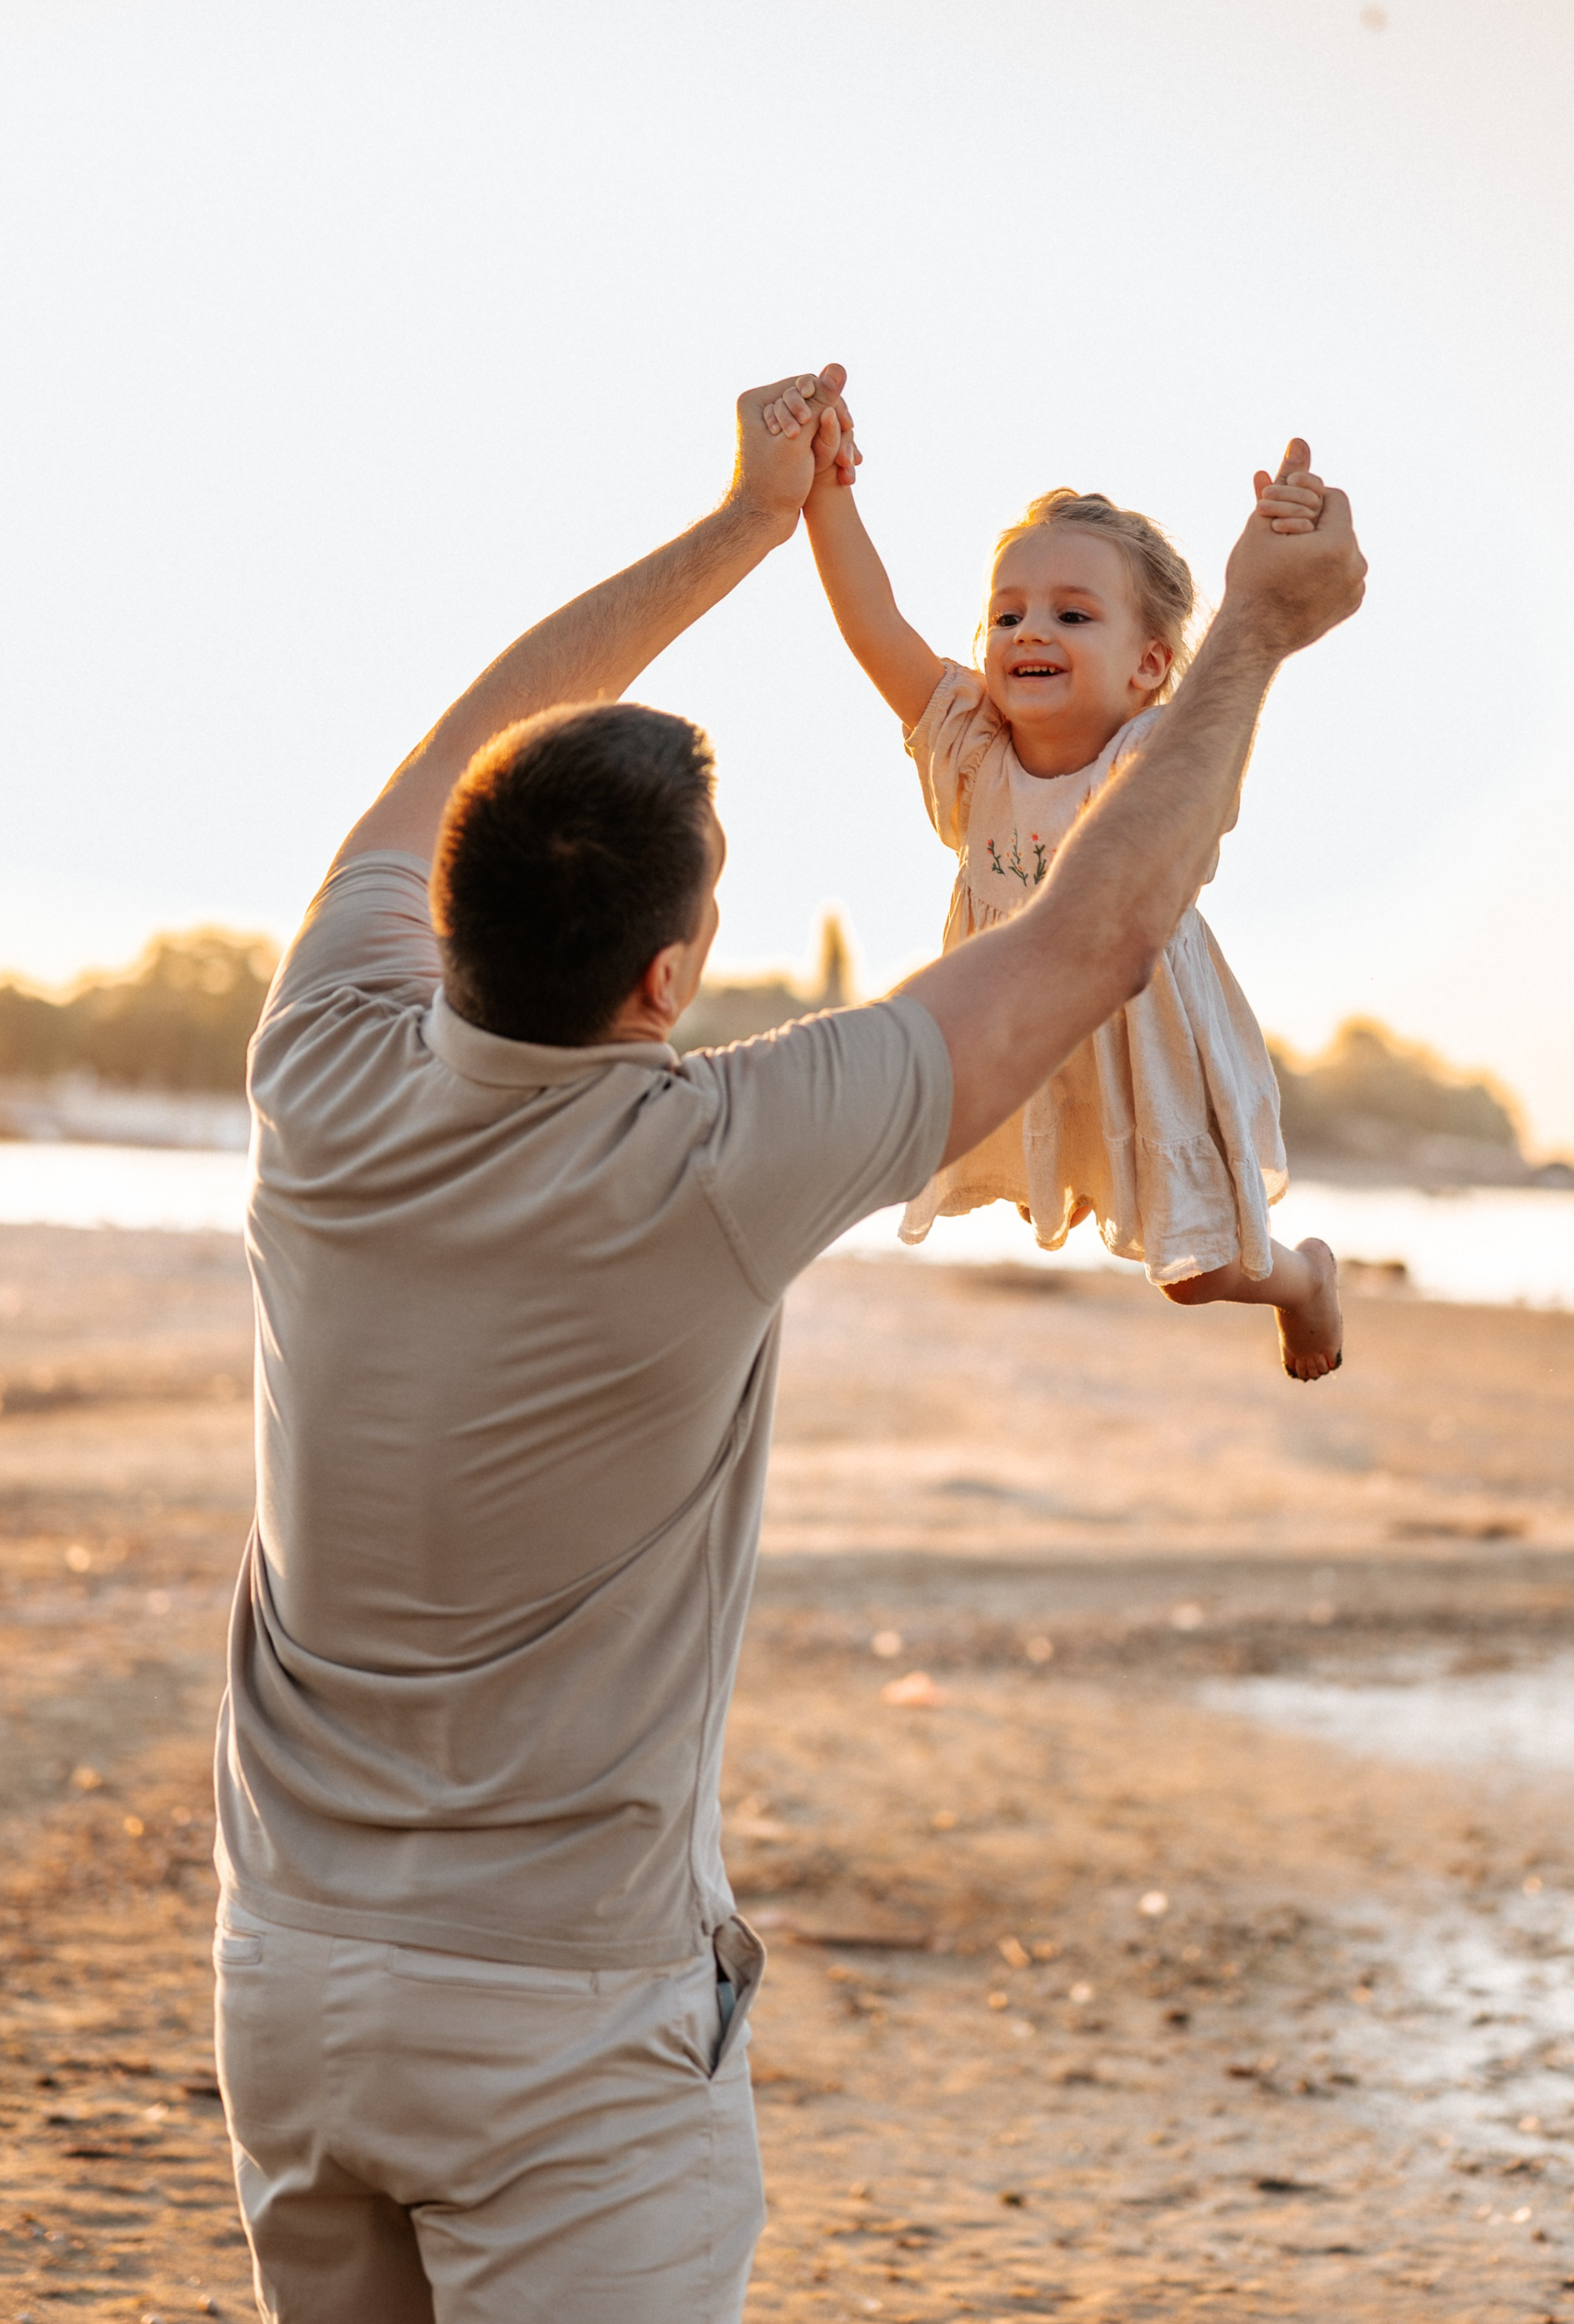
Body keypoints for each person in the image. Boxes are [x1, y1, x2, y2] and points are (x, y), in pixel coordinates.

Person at [211, 362, 1365, 2324]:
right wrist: (1251, 636)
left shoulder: (315, 1059)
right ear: (669, 980)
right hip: (563, 2032)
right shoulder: (712, 1158)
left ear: (437, 902)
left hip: (287, 1991)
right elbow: (1094, 936)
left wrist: (746, 518)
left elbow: (464, 732)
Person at [776, 383, 1343, 1379]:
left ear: (1150, 665)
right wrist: (823, 487)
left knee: (1195, 1274)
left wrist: (1272, 560)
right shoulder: (970, 752)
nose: (1028, 632)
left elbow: (1227, 683)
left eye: (1072, 615)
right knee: (880, 1144)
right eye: (1007, 613)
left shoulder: (1156, 756)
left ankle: (1305, 1282)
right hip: (1015, 1020)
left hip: (1144, 1034)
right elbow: (872, 623)